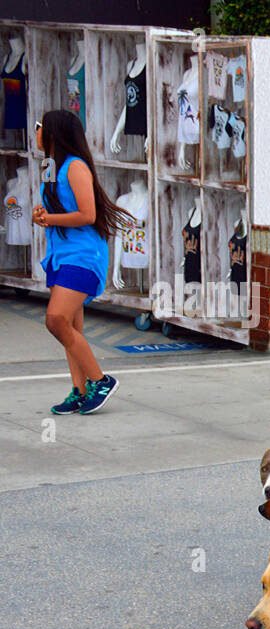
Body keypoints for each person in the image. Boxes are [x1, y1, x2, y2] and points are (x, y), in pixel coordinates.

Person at [32, 109, 134, 415]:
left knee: (56, 320)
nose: (36, 131)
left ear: (54, 133)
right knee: (70, 327)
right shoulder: (52, 167)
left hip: (84, 257)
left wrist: (50, 218)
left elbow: (88, 215)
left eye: (40, 127)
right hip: (61, 256)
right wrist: (43, 215)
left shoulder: (75, 167)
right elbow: (62, 210)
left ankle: (100, 380)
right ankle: (79, 390)